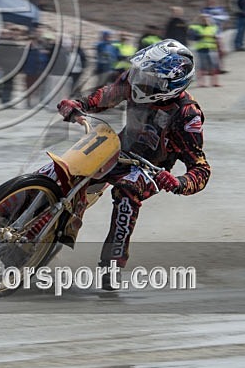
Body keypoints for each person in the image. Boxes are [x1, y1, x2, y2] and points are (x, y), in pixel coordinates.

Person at [55, 39, 211, 289]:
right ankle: (26, 220)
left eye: (150, 78)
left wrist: (178, 182)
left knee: (126, 192)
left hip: (151, 169)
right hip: (119, 147)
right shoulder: (135, 79)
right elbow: (106, 95)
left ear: (170, 85)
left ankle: (112, 266)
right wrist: (79, 105)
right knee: (67, 167)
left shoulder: (187, 114)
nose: (140, 80)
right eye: (142, 73)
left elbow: (201, 169)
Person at [188, 15, 221, 87]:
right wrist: (196, 19)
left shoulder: (214, 28)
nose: (205, 21)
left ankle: (215, 82)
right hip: (201, 49)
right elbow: (192, 35)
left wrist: (220, 48)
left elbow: (217, 37)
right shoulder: (196, 27)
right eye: (203, 19)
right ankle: (201, 83)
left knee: (214, 67)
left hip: (212, 49)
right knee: (201, 67)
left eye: (207, 19)